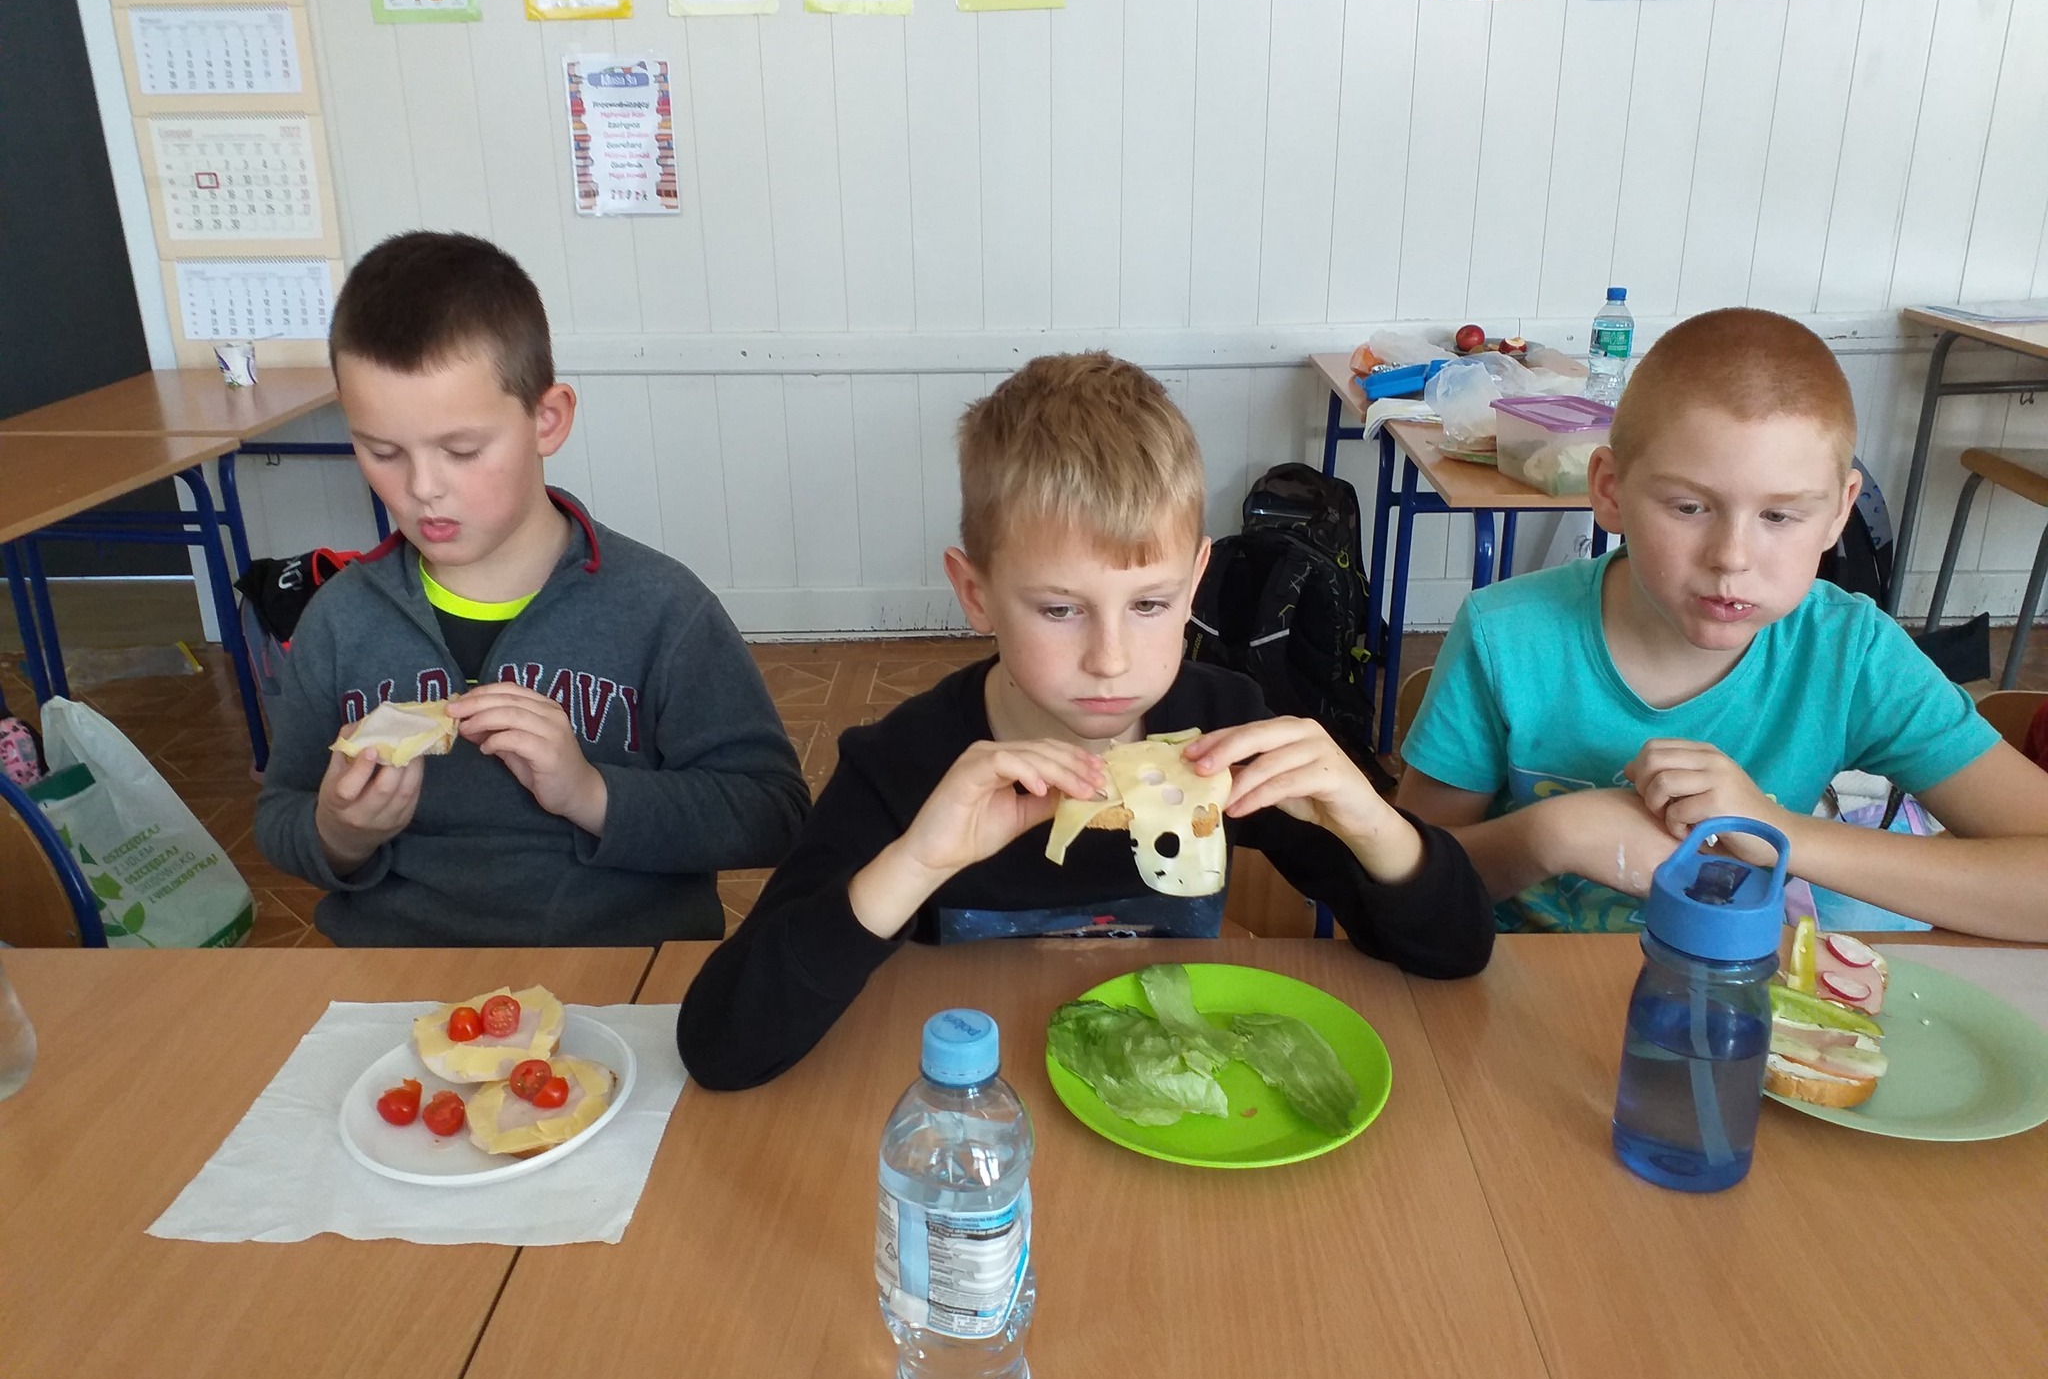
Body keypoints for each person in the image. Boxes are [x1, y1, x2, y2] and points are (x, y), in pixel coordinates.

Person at [678, 353, 1493, 1088]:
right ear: (975, 595)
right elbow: (721, 1045)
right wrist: (916, 863)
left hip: (1171, 1104)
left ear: (1196, 583)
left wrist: (1374, 825)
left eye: (1150, 604)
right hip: (980, 1116)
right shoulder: (905, 766)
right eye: (1060, 609)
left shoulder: (1226, 729)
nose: (1111, 659)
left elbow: (1455, 951)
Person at [1397, 307, 2048, 939]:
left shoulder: (1851, 654)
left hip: (1736, 989)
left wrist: (1775, 830)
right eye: (1689, 507)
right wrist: (1554, 835)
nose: (1732, 558)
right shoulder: (1505, 638)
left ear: (1838, 513)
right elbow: (1400, 882)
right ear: (1611, 490)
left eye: (1779, 516)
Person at [255, 232, 809, 945]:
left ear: (547, 420)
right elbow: (281, 813)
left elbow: (771, 813)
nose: (423, 488)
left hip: (619, 975)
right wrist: (338, 833)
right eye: (382, 451)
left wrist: (592, 793)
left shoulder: (661, 609)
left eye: (462, 451)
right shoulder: (340, 619)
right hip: (400, 980)